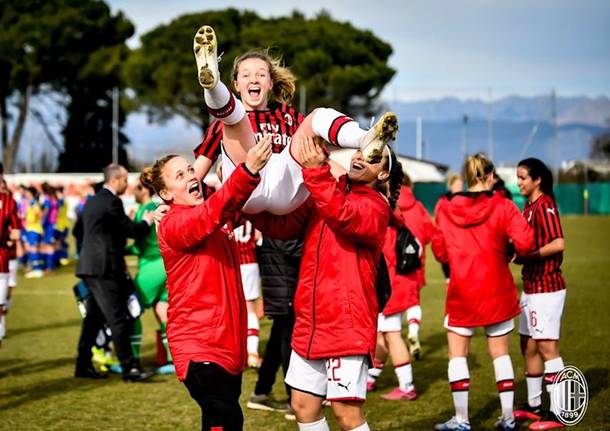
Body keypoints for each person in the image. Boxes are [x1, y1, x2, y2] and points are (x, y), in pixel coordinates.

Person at [248, 135, 403, 431]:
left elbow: (343, 215)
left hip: (346, 321)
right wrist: (246, 202)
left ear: (383, 174)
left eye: (373, 157)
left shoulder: (376, 206)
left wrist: (317, 172)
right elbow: (284, 224)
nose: (360, 157)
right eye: (360, 150)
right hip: (311, 319)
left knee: (347, 414)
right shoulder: (329, 191)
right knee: (303, 406)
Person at [192, 25, 398, 216]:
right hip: (245, 188)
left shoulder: (289, 117)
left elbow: (323, 160)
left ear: (271, 83)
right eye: (246, 75)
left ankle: (365, 139)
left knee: (318, 116)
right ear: (236, 84)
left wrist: (361, 192)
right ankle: (211, 83)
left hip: (285, 190)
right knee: (235, 117)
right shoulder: (221, 125)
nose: (254, 79)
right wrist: (171, 203)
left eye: (261, 75)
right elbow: (197, 172)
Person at [149, 137, 271, 431]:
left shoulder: (211, 216)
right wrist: (247, 171)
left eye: (191, 170)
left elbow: (239, 207)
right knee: (226, 420)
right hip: (199, 347)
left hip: (226, 345)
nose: (191, 176)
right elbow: (210, 213)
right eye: (180, 175)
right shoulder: (173, 224)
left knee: (225, 422)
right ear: (165, 193)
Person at [431, 154, 535, 431]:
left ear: (466, 177)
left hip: (462, 291)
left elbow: (439, 250)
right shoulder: (503, 204)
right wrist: (509, 252)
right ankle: (508, 418)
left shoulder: (444, 206)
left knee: (457, 356)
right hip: (497, 289)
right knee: (500, 354)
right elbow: (526, 241)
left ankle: (462, 420)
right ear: (490, 176)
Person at [74, 164, 154, 381]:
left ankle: (82, 365)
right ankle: (130, 368)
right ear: (116, 179)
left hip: (89, 267)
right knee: (117, 318)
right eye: (125, 179)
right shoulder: (112, 201)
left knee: (93, 319)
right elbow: (131, 230)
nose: (127, 184)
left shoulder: (92, 201)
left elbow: (77, 231)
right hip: (104, 269)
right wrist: (147, 220)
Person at [513, 158, 567, 431]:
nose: (519, 182)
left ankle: (558, 413)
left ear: (537, 180)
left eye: (523, 177)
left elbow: (558, 242)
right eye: (518, 177)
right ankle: (534, 405)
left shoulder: (544, 204)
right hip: (531, 287)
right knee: (529, 345)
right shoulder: (529, 206)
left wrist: (529, 256)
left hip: (547, 287)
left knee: (547, 348)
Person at [247, 235, 302, 420]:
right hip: (285, 286)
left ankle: (261, 390)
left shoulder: (277, 213)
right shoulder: (280, 214)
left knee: (277, 340)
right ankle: (294, 399)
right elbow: (290, 245)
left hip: (281, 283)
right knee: (289, 344)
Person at [127, 174, 174, 375]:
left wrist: (119, 250)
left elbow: (143, 245)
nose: (133, 192)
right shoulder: (156, 207)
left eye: (136, 188)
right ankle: (172, 360)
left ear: (144, 189)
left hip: (152, 265)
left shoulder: (146, 211)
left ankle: (132, 359)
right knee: (163, 311)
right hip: (165, 265)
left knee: (131, 310)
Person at [395, 174, 434, 359]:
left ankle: (393, 339)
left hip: (393, 263)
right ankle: (413, 329)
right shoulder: (418, 207)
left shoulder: (388, 203)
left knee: (392, 307)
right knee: (413, 300)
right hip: (416, 263)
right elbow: (429, 233)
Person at [0, 164, 21, 347]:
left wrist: (10, 240)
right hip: (3, 258)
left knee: (2, 302)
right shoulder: (8, 201)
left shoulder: (9, 202)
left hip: (3, 260)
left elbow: (16, 232)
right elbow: (15, 233)